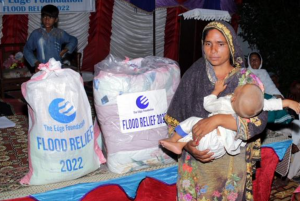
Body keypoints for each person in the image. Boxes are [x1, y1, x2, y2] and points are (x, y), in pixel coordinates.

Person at [164, 21, 268, 201]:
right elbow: (175, 118)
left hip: (230, 164)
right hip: (194, 163)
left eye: (220, 44)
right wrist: (187, 146)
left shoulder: (245, 79)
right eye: (208, 43)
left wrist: (218, 119)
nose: (213, 50)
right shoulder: (193, 74)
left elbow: (258, 121)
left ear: (231, 45)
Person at [160, 81, 300, 157]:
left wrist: (216, 91)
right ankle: (181, 145)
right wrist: (289, 103)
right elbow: (269, 104)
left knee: (192, 122)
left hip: (208, 139)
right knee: (195, 131)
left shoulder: (225, 102)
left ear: (233, 97)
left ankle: (174, 140)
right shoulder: (254, 108)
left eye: (237, 90)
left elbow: (208, 104)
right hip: (220, 150)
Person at [23, 4, 78, 72]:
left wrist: (65, 50)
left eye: (50, 17)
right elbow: (27, 50)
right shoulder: (36, 33)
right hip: (42, 69)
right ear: (41, 18)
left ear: (56, 20)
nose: (47, 20)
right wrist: (36, 63)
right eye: (44, 17)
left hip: (57, 69)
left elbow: (73, 39)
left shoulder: (59, 33)